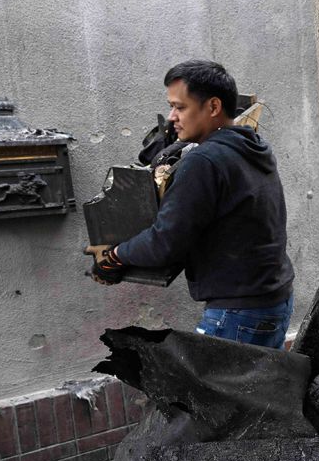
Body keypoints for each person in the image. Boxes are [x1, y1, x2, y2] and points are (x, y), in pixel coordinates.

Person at [87, 60, 295, 348]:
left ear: (212, 107)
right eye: (171, 107)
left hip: (237, 312)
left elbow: (165, 242)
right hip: (272, 300)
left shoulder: (204, 162)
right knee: (251, 391)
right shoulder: (251, 145)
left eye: (180, 107)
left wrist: (116, 254)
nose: (172, 116)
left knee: (209, 393)